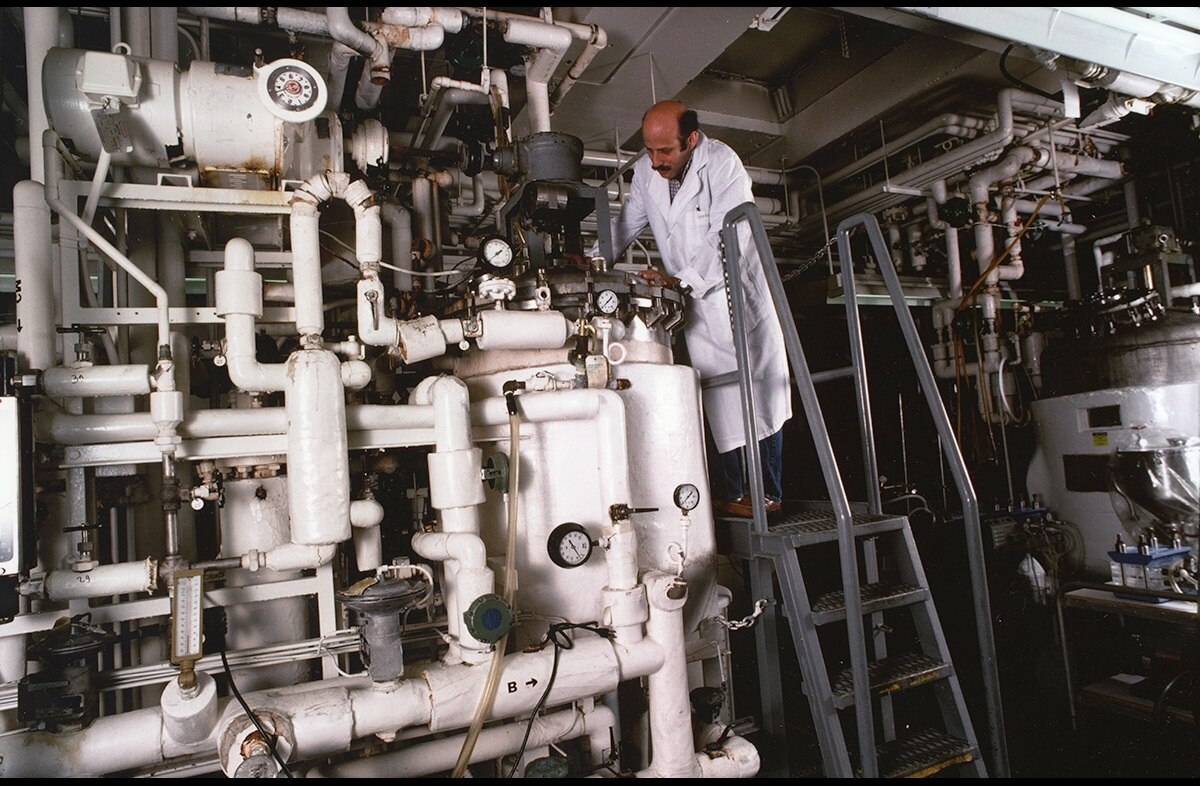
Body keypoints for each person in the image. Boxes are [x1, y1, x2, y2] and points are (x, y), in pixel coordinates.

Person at [602, 99, 792, 518]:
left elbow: (728, 237)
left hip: (732, 296)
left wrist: (679, 279)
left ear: (690, 139)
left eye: (665, 151)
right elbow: (627, 222)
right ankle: (738, 492)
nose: (655, 161)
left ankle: (768, 494)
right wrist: (596, 261)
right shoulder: (647, 173)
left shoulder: (721, 164)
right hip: (696, 308)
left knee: (756, 392)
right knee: (718, 399)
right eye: (650, 151)